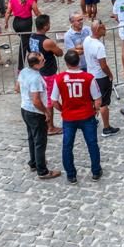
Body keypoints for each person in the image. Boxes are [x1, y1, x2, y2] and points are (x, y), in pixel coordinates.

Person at [52, 50, 103, 184]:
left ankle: (71, 174)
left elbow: (54, 101)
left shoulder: (59, 78)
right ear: (79, 61)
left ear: (66, 63)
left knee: (67, 146)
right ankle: (96, 171)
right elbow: (98, 99)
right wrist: (95, 109)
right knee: (92, 144)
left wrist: (63, 109)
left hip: (69, 117)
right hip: (87, 115)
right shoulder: (89, 77)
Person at [19, 53, 60, 180]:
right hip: (35, 113)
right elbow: (36, 100)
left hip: (24, 108)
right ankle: (42, 170)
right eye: (42, 60)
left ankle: (34, 162)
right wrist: (46, 112)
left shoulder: (24, 71)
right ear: (36, 64)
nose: (44, 61)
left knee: (32, 137)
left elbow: (17, 87)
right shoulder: (36, 78)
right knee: (40, 141)